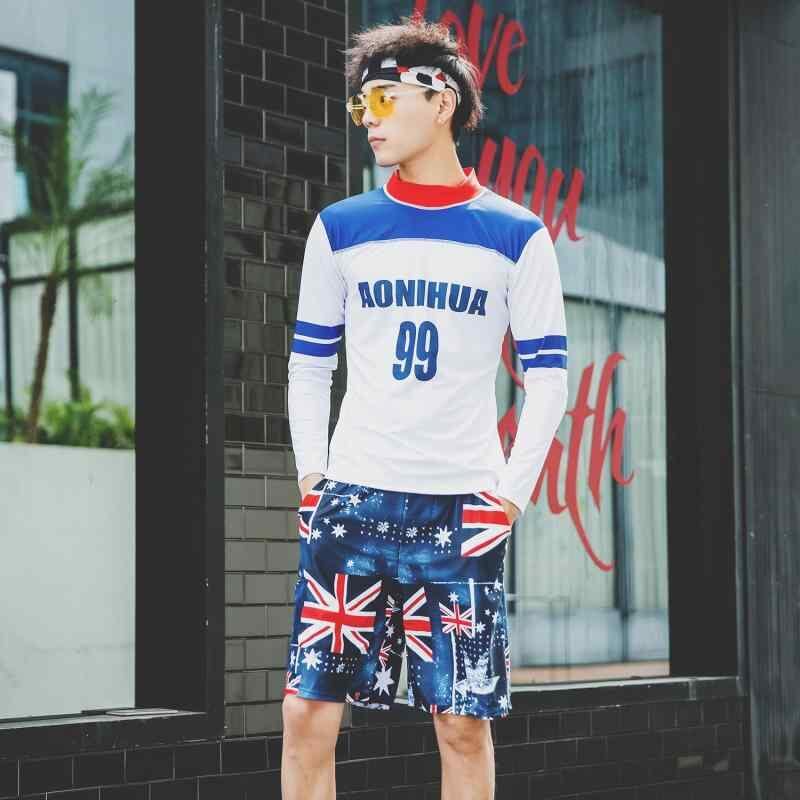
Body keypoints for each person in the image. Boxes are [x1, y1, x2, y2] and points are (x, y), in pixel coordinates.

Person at [281, 13, 568, 800]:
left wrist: (510, 497)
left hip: (460, 508)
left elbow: (548, 378)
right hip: (353, 499)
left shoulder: (516, 234)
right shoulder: (342, 228)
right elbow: (309, 365)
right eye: (360, 105)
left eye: (382, 100)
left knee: (462, 723)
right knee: (307, 711)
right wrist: (312, 480)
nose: (367, 119)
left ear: (441, 101)